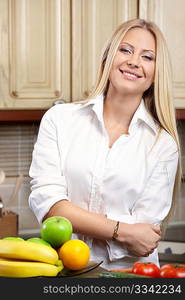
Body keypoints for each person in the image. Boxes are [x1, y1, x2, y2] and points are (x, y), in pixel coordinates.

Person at [28, 18, 182, 270]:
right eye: (125, 50)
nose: (133, 61)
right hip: (63, 271)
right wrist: (122, 230)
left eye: (147, 57)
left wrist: (74, 215)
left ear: (156, 74)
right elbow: (49, 205)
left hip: (132, 277)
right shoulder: (59, 119)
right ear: (108, 58)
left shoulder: (163, 144)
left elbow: (143, 237)